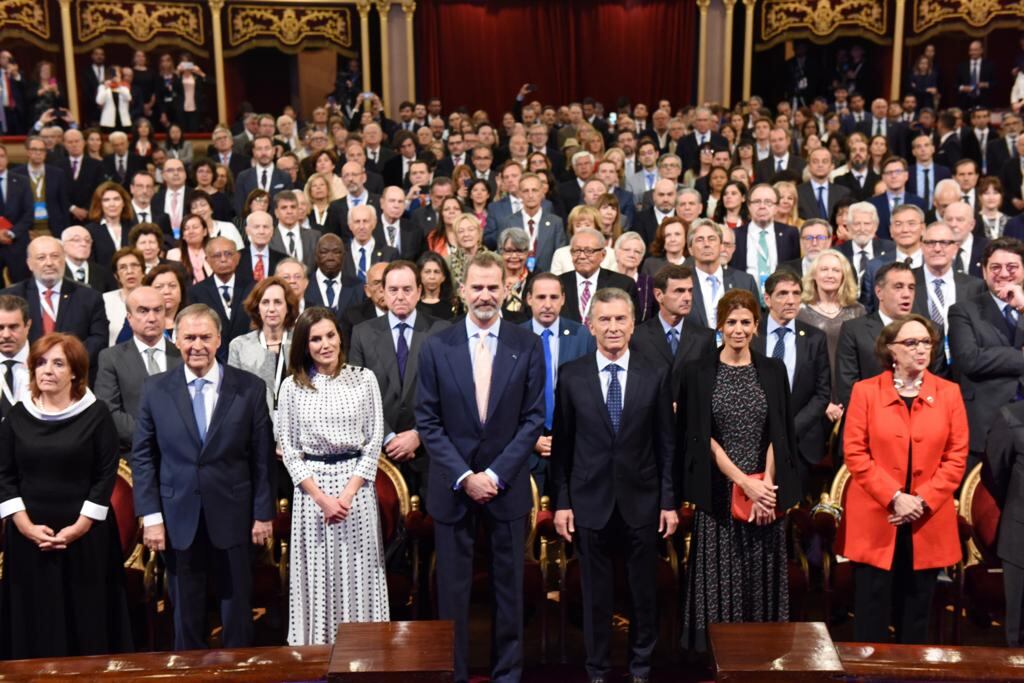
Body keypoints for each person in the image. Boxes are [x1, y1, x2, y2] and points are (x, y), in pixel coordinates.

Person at [415, 251, 546, 683]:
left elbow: (532, 419)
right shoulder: (437, 344)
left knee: (508, 591)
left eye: (494, 287)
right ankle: (454, 673)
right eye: (478, 287)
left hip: (504, 487)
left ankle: (507, 674)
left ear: (507, 291)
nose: (485, 295)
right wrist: (465, 476)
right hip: (452, 488)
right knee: (452, 592)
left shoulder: (527, 344)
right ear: (462, 291)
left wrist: (493, 475)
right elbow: (428, 420)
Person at [550, 287, 677, 683]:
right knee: (595, 598)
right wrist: (562, 502)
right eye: (604, 319)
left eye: (620, 319)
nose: (613, 327)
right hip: (589, 503)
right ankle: (597, 670)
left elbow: (666, 444)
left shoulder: (655, 374)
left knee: (643, 594)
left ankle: (640, 668)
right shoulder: (571, 375)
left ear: (633, 324)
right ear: (590, 325)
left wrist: (668, 501)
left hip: (643, 501)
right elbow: (563, 448)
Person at [132, 303, 275, 650]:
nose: (197, 345)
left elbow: (262, 459)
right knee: (186, 615)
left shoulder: (250, 388)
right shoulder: (155, 389)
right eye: (189, 337)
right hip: (178, 517)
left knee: (237, 613)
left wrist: (262, 514)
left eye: (205, 337)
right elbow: (143, 458)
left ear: (219, 340)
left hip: (235, 515)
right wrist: (151, 518)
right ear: (175, 340)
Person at [678, 289, 800, 651]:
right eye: (731, 322)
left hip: (765, 494)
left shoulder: (773, 370)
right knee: (720, 579)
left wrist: (766, 489)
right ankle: (720, 654)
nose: (738, 329)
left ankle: (762, 653)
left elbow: (780, 432)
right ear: (719, 326)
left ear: (757, 326)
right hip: (718, 492)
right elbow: (701, 437)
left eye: (746, 322)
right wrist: (743, 482)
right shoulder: (697, 372)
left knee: (760, 575)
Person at [0, 332, 133, 660]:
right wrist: (26, 526)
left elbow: (106, 475)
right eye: (41, 363)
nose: (47, 370)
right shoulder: (17, 416)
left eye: (58, 363)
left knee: (87, 621)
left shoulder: (96, 413)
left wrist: (80, 527)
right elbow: (4, 476)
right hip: (29, 538)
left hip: (86, 540)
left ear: (75, 371)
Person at [838, 314, 967, 643]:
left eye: (926, 342)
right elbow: (855, 454)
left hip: (927, 519)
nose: (920, 349)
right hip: (877, 518)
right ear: (890, 350)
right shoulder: (865, 391)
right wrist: (895, 497)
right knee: (871, 613)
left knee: (917, 615)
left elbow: (956, 457)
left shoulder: (949, 393)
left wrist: (921, 501)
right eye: (911, 343)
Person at [276, 306, 389, 644]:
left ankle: (365, 651)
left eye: (329, 335)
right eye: (315, 339)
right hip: (313, 495)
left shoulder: (364, 378)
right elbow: (290, 451)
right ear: (303, 344)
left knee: (359, 573)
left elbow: (373, 441)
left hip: (356, 492)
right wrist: (322, 499)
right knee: (317, 577)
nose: (324, 344)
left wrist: (348, 494)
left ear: (340, 337)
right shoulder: (291, 388)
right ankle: (316, 655)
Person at [349, 260, 449, 499]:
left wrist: (417, 434)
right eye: (393, 290)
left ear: (419, 292)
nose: (400, 296)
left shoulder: (442, 331)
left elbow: (449, 393)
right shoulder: (362, 333)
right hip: (378, 455)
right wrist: (389, 437)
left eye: (407, 289)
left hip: (429, 453)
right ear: (382, 292)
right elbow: (356, 396)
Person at [948, 238, 1024, 464]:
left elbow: (984, 357)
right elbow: (969, 360)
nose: (1003, 274)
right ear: (983, 271)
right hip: (985, 422)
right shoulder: (963, 310)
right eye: (995, 267)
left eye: (1012, 267)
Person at [753, 270, 831, 484]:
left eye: (796, 293)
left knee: (796, 514)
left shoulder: (815, 338)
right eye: (783, 294)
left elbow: (822, 393)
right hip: (755, 439)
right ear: (767, 299)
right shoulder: (751, 334)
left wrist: (790, 428)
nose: (791, 300)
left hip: (800, 441)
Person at [521, 272, 595, 496]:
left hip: (572, 450)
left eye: (554, 297)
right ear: (529, 299)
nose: (547, 304)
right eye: (541, 297)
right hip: (525, 452)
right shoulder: (514, 337)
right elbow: (506, 398)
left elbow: (591, 394)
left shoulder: (581, 335)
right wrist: (531, 437)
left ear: (563, 299)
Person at [1, 236, 108, 375]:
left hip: (73, 376)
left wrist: (65, 362)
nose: (49, 263)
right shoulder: (10, 297)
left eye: (55, 256)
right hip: (23, 374)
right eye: (41, 258)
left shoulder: (89, 297)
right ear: (29, 264)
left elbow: (99, 339)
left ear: (64, 259)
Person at [95, 285, 183, 451]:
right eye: (143, 311)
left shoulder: (183, 356)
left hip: (180, 454)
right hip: (133, 454)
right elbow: (108, 410)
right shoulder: (111, 358)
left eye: (158, 310)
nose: (152, 318)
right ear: (129, 317)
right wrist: (151, 437)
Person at [630, 263, 717, 404]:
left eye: (690, 290)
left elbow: (709, 387)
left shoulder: (705, 338)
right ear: (659, 295)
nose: (687, 297)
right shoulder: (637, 337)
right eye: (679, 291)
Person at [228, 275, 299, 422]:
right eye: (265, 302)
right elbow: (233, 395)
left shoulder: (301, 342)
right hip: (253, 426)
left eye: (278, 302)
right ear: (257, 307)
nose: (271, 309)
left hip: (297, 426)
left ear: (288, 307)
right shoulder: (240, 346)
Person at [188, 237, 253, 361]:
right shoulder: (196, 292)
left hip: (249, 358)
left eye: (228, 254)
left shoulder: (253, 288)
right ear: (207, 260)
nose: (223, 259)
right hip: (212, 359)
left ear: (238, 257)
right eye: (217, 255)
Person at [686, 219, 759, 329]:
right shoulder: (681, 283)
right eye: (700, 240)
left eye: (712, 239)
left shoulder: (745, 282)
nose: (706, 244)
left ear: (721, 246)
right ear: (690, 249)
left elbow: (756, 324)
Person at [558, 228, 636, 323]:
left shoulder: (623, 285)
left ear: (603, 255)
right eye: (577, 251)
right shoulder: (558, 284)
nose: (582, 256)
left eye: (589, 251)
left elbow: (632, 323)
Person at [103, 247, 146, 347]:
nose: (129, 271)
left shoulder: (155, 299)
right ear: (116, 275)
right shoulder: (105, 300)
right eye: (123, 267)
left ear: (143, 271)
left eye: (134, 265)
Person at [0, 295, 32, 417]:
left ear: (27, 326)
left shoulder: (45, 362)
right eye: (0, 328)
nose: (6, 334)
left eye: (13, 327)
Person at [142, 263, 186, 341]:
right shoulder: (138, 322)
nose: (167, 291)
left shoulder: (194, 320)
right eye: (159, 287)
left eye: (172, 286)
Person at [416, 251, 456, 320]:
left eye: (436, 272)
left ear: (443, 277)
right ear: (420, 275)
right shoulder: (414, 305)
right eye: (427, 272)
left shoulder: (454, 305)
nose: (432, 277)